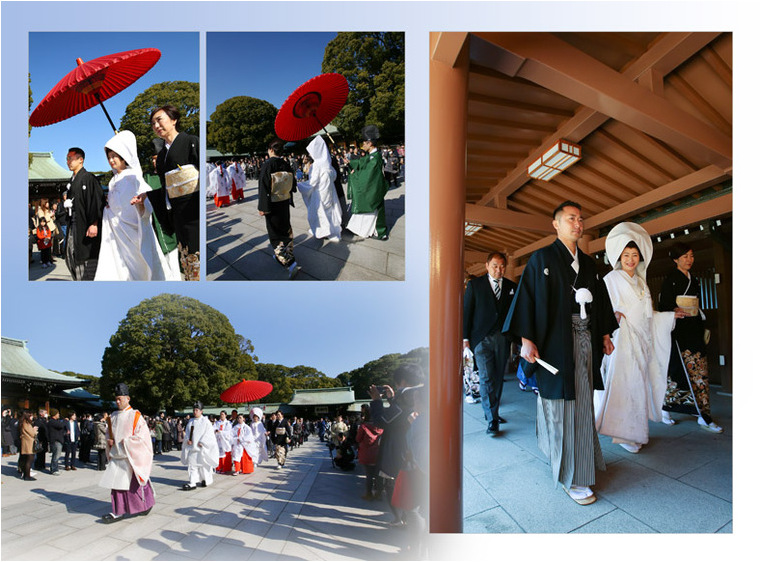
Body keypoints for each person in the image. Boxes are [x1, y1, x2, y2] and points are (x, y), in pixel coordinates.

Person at [503, 200, 618, 506]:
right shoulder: (542, 258)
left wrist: (605, 334)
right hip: (555, 345)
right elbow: (527, 301)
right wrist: (526, 340)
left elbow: (601, 305)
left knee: (582, 407)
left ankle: (582, 465)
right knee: (559, 410)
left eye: (580, 219)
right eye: (571, 218)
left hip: (584, 342)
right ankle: (571, 476)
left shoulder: (590, 265)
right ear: (556, 224)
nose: (577, 223)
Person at [594, 222, 683, 453]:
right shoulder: (611, 280)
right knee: (626, 387)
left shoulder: (642, 282)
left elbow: (649, 315)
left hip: (642, 342)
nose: (631, 259)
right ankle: (624, 433)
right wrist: (613, 316)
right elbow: (602, 309)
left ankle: (635, 431)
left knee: (638, 388)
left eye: (634, 255)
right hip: (622, 340)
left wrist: (669, 315)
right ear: (619, 257)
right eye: (626, 255)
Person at [658, 242, 723, 433]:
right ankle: (666, 408)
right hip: (679, 332)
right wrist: (674, 309)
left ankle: (703, 414)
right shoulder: (670, 278)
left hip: (694, 328)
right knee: (677, 371)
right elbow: (663, 305)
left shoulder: (694, 280)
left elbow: (697, 302)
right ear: (675, 259)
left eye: (691, 256)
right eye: (685, 256)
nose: (689, 260)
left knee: (699, 371)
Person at [95, 130, 168, 281]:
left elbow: (146, 201)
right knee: (118, 266)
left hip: (133, 229)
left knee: (138, 267)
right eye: (109, 157)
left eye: (115, 156)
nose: (111, 160)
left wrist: (141, 204)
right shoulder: (112, 180)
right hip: (116, 230)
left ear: (124, 156)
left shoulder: (133, 176)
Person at [463, 251, 517, 434]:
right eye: (495, 266)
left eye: (502, 266)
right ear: (487, 266)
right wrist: (465, 339)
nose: (499, 270)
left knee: (497, 377)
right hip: (481, 339)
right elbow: (466, 313)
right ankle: (492, 420)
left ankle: (492, 411)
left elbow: (515, 315)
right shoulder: (475, 285)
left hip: (502, 339)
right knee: (486, 378)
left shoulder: (511, 287)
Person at [148, 105, 201, 281]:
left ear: (173, 119)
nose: (156, 125)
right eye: (153, 123)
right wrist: (146, 196)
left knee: (197, 254)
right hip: (178, 214)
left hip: (195, 210)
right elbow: (165, 189)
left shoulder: (191, 141)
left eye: (159, 119)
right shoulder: (162, 156)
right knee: (186, 257)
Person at [369, 363, 425, 526]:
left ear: (403, 381)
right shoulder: (418, 395)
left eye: (398, 384)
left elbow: (382, 421)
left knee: (394, 486)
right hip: (411, 449)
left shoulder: (405, 400)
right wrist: (392, 398)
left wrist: (377, 401)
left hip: (398, 451)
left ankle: (403, 519)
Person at [99, 383, 155, 523]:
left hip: (131, 456)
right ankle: (118, 511)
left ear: (128, 398)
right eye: (116, 399)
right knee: (116, 486)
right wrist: (109, 440)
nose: (118, 401)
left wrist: (127, 442)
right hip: (117, 456)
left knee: (137, 484)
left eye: (120, 399)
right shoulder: (112, 416)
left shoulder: (135, 416)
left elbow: (142, 437)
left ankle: (146, 505)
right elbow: (108, 434)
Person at [258, 140, 299, 279]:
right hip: (284, 201)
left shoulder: (267, 164)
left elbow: (263, 187)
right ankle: (287, 253)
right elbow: (293, 183)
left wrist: (263, 207)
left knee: (275, 232)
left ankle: (289, 262)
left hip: (272, 203)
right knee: (285, 227)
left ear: (270, 149)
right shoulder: (286, 163)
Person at [63, 147, 104, 280]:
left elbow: (96, 201)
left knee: (85, 259)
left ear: (81, 160)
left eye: (71, 158)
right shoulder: (72, 180)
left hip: (85, 225)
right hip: (73, 225)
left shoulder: (88, 178)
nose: (68, 161)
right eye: (67, 159)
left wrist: (94, 223)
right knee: (71, 256)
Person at [346, 125, 390, 240]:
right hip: (375, 187)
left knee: (372, 208)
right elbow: (361, 162)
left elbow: (366, 177)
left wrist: (354, 174)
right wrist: (350, 162)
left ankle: (376, 231)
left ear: (370, 143)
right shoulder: (372, 156)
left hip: (374, 188)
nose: (363, 145)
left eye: (364, 143)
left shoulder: (375, 158)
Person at [296, 136, 342, 242]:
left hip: (319, 192)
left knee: (319, 213)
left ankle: (323, 231)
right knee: (330, 211)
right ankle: (332, 230)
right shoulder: (328, 163)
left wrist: (300, 185)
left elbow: (312, 183)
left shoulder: (316, 165)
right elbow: (334, 176)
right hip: (330, 191)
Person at [180, 402, 217, 490]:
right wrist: (187, 440)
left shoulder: (206, 422)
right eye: (194, 410)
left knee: (203, 467)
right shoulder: (191, 422)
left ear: (201, 411)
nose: (195, 412)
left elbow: (209, 434)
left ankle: (205, 480)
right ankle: (192, 483)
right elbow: (187, 434)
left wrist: (203, 442)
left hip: (201, 449)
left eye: (197, 410)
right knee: (192, 466)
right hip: (193, 449)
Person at [356, 404, 383, 500]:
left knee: (369, 475)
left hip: (367, 453)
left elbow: (358, 439)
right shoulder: (381, 426)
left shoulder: (363, 426)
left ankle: (369, 494)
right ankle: (379, 493)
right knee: (378, 475)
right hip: (379, 452)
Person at [18, 410, 38, 481]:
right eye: (31, 415)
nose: (32, 417)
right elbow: (32, 433)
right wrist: (34, 430)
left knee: (28, 460)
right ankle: (27, 476)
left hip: (28, 443)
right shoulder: (26, 423)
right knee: (29, 460)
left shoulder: (24, 423)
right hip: (28, 444)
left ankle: (26, 474)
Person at [47, 408, 65, 475]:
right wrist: (64, 421)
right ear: (54, 415)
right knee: (56, 456)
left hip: (58, 440)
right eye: (57, 414)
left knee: (57, 455)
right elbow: (61, 425)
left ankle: (55, 468)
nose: (59, 415)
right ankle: (54, 469)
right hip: (56, 441)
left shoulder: (55, 421)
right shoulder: (52, 421)